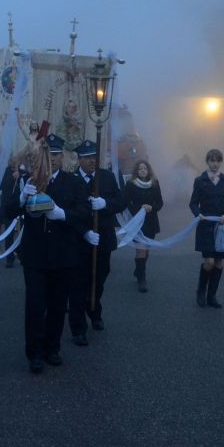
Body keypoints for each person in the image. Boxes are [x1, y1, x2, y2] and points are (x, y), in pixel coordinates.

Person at [3, 134, 89, 373]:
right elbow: (6, 212)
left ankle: (53, 347)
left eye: (55, 155)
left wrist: (62, 214)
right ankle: (34, 352)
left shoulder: (73, 182)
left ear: (62, 157)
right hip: (35, 255)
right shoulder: (26, 181)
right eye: (46, 154)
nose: (50, 159)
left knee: (58, 304)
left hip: (63, 254)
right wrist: (21, 197)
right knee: (35, 304)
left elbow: (84, 211)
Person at [68, 139, 125, 344]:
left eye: (94, 157)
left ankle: (94, 310)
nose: (92, 161)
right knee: (78, 283)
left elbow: (121, 202)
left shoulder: (107, 177)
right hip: (78, 239)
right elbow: (69, 211)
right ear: (79, 160)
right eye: (87, 158)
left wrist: (105, 203)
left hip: (103, 238)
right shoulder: (71, 179)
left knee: (99, 278)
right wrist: (83, 232)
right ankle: (78, 327)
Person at [189, 149, 224, 308]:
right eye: (212, 161)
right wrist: (198, 213)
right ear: (207, 162)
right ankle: (201, 291)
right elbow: (193, 203)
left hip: (221, 226)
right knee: (208, 261)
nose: (215, 164)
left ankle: (212, 296)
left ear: (221, 162)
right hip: (206, 226)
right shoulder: (200, 181)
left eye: (217, 161)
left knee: (218, 263)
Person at [122, 159, 163, 293]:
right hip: (137, 222)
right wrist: (140, 208)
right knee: (141, 248)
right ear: (136, 171)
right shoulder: (130, 184)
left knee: (146, 249)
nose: (143, 170)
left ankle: (138, 270)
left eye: (145, 168)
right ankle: (142, 280)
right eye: (140, 169)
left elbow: (160, 203)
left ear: (149, 170)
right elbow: (126, 203)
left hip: (151, 221)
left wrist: (152, 207)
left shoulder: (155, 184)